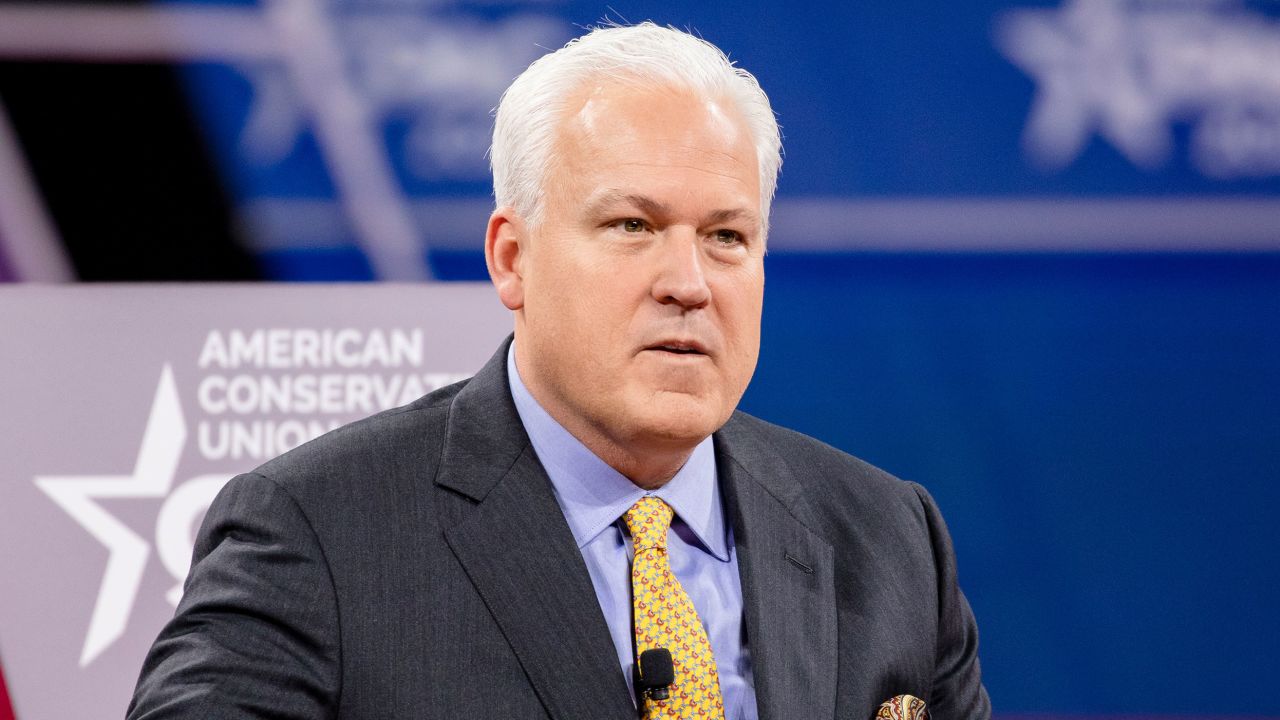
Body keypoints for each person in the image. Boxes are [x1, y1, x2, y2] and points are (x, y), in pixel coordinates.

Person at [128, 22, 991, 720]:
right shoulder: (320, 531)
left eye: (727, 237)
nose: (688, 283)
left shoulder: (888, 538)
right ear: (512, 258)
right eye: (631, 226)